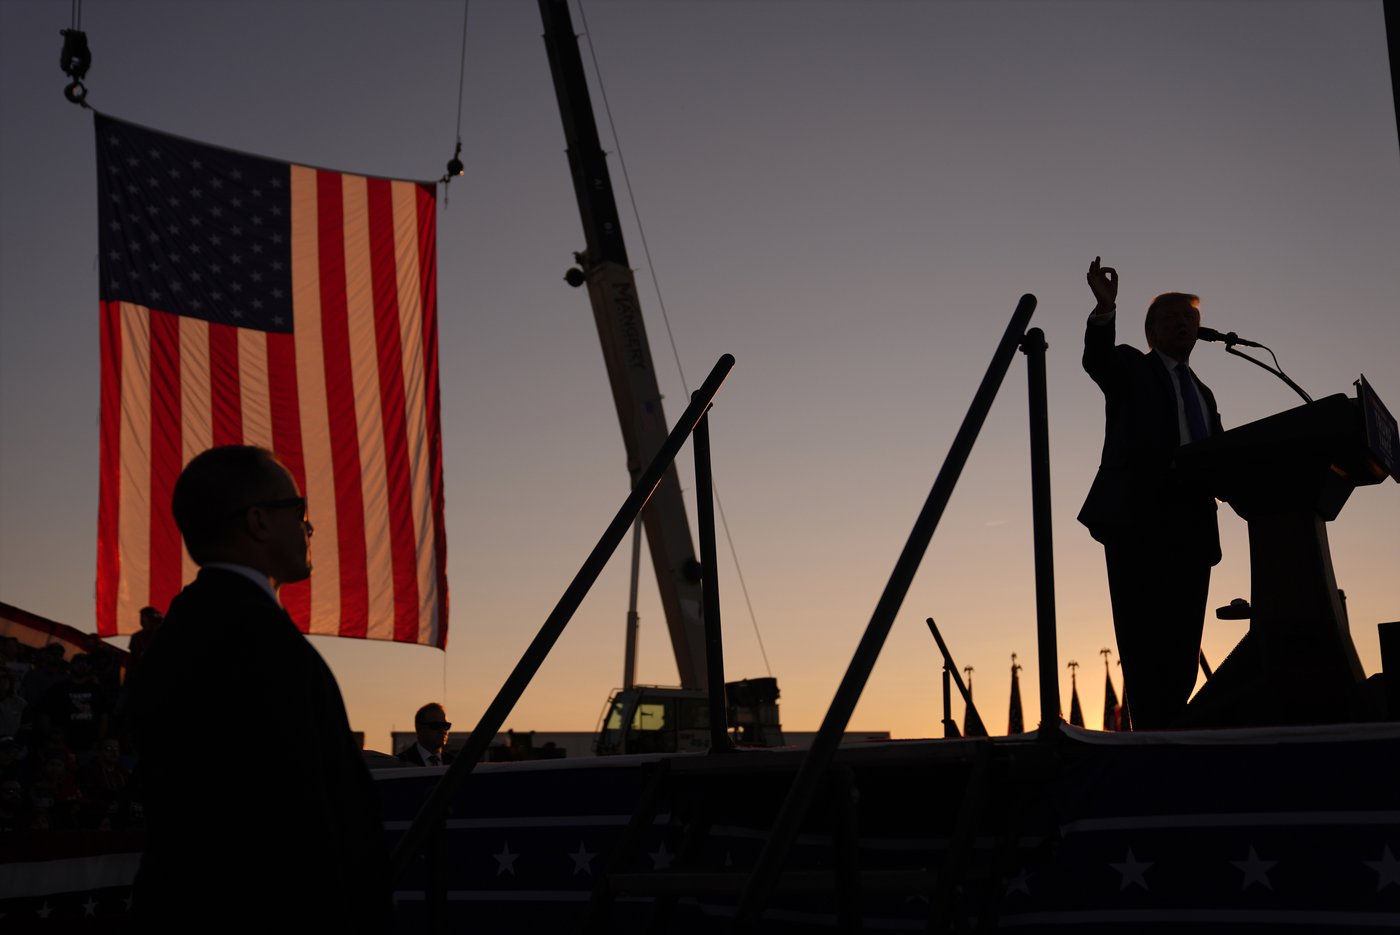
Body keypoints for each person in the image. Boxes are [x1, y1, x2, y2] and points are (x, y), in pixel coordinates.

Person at [130, 445, 390, 927]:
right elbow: (297, 816)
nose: (309, 527)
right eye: (299, 510)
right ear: (258, 521)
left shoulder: (190, 628)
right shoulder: (256, 641)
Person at [1078, 257, 1223, 729]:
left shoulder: (1204, 393)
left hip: (1193, 529)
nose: (1183, 324)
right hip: (1139, 522)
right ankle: (1150, 741)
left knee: (1182, 649)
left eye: (1190, 318)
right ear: (1151, 331)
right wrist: (1105, 309)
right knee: (1144, 646)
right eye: (1172, 317)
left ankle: (1173, 735)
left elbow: (1222, 458)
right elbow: (1097, 361)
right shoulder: (1130, 367)